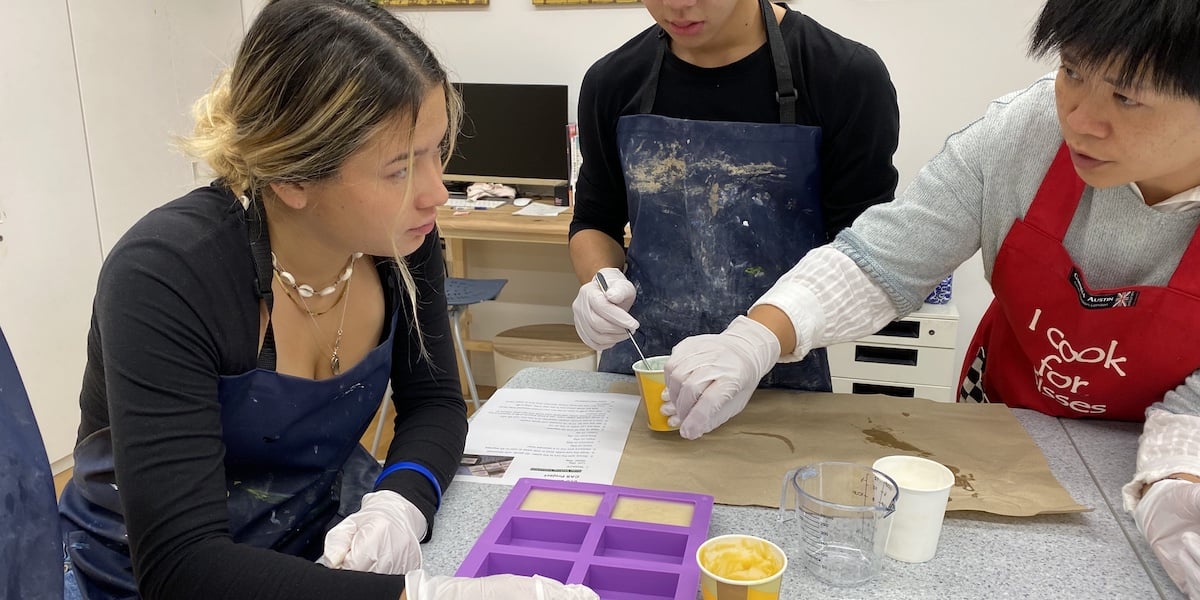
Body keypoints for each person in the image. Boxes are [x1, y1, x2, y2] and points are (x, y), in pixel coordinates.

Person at [56, 1, 598, 599]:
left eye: (437, 151)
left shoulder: (397, 242)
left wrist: (399, 504)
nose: (436, 193)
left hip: (322, 552)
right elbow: (182, 565)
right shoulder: (167, 275)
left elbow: (435, 403)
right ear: (292, 178)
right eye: (399, 169)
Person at [662, 0, 1200, 595]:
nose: (1079, 118)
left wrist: (1179, 478)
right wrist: (756, 337)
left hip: (1153, 465)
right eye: (1072, 70)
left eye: (1127, 98)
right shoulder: (1026, 132)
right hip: (1008, 417)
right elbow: (887, 253)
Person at [568, 0, 900, 394]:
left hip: (779, 374)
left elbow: (863, 256)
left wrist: (754, 343)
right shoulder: (614, 81)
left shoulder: (843, 76)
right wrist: (600, 283)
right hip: (644, 369)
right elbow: (594, 220)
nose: (677, 4)